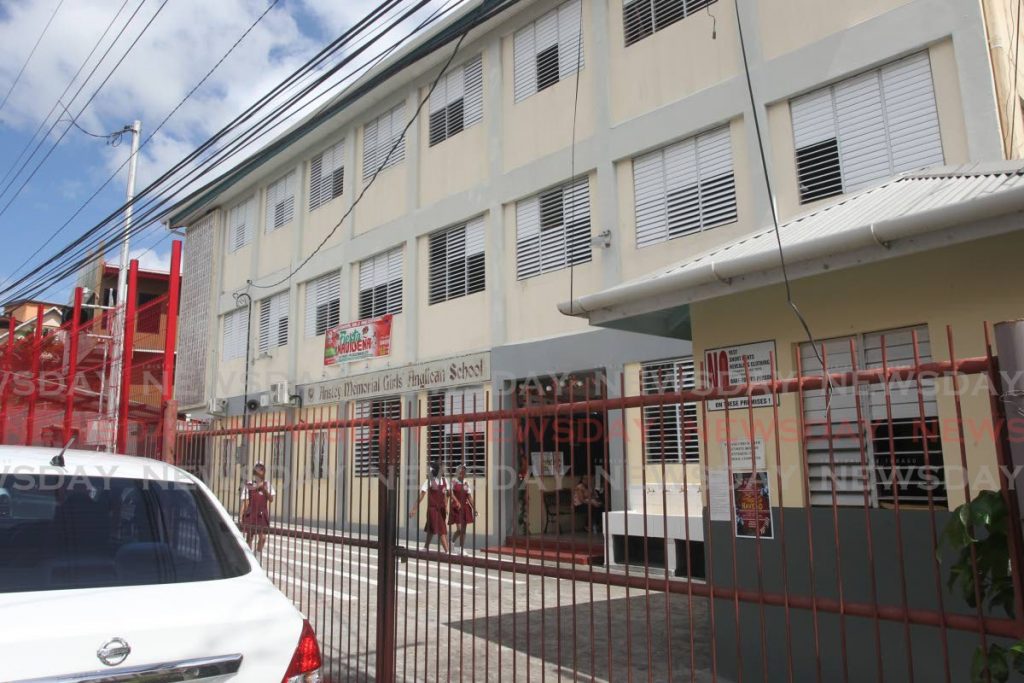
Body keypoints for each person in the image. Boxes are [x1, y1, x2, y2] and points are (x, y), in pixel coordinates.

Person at [409, 461, 450, 553]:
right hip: (433, 509)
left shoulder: (444, 480)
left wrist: (446, 505)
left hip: (442, 509)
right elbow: (421, 495)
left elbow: (447, 494)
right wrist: (414, 509)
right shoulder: (429, 481)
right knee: (441, 529)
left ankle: (426, 547)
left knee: (431, 528)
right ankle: (447, 551)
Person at [240, 462, 275, 554]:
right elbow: (245, 502)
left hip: (262, 514)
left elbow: (271, 499)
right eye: (258, 468)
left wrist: (264, 490)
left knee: (263, 537)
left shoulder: (267, 484)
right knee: (250, 537)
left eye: (262, 468)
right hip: (251, 513)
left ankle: (257, 555)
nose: (260, 470)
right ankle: (249, 556)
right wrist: (241, 515)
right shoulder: (249, 484)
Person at [449, 465, 476, 550]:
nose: (462, 473)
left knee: (463, 530)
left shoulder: (466, 483)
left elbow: (469, 496)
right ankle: (452, 541)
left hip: (465, 508)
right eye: (460, 471)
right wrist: (456, 502)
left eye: (464, 471)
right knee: (460, 529)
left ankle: (461, 548)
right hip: (456, 508)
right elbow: (450, 493)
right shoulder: (454, 481)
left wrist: (474, 508)